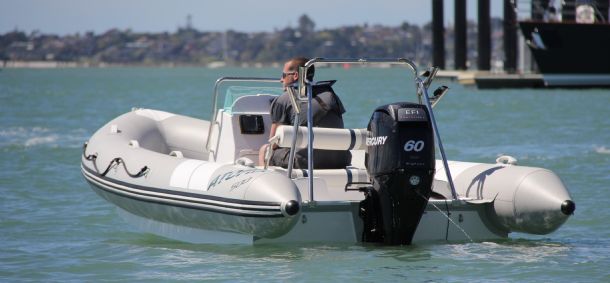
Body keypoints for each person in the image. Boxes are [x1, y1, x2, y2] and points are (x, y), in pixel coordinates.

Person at [258, 57, 351, 169]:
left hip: (305, 163)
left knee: (265, 150)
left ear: (296, 75)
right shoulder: (331, 95)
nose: (281, 80)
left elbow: (273, 142)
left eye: (283, 75)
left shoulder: (283, 100)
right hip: (340, 161)